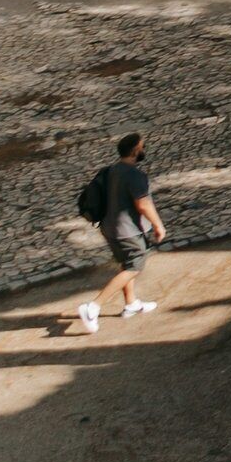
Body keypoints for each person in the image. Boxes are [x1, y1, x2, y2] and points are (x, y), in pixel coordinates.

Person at [72, 134, 165, 333]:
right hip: (128, 231)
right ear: (135, 151)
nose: (143, 150)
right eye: (142, 147)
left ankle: (131, 304)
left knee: (126, 264)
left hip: (109, 228)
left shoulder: (111, 170)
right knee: (134, 266)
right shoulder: (135, 175)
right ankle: (93, 306)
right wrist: (158, 226)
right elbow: (143, 204)